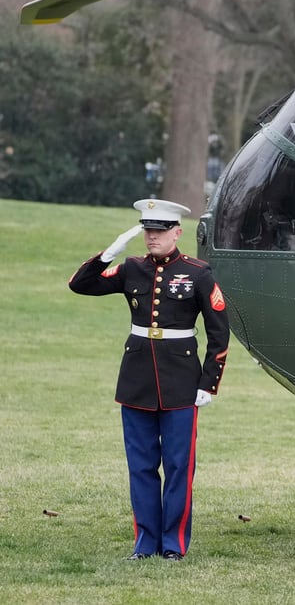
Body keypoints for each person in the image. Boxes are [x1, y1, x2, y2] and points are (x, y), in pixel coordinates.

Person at [68, 199, 230, 562]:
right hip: (137, 379)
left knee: (178, 467)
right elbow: (81, 285)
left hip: (181, 383)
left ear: (177, 232)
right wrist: (109, 253)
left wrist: (208, 383)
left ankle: (173, 544)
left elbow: (219, 332)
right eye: (147, 230)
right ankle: (145, 543)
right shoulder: (132, 269)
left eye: (159, 231)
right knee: (140, 466)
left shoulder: (198, 273)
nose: (151, 237)